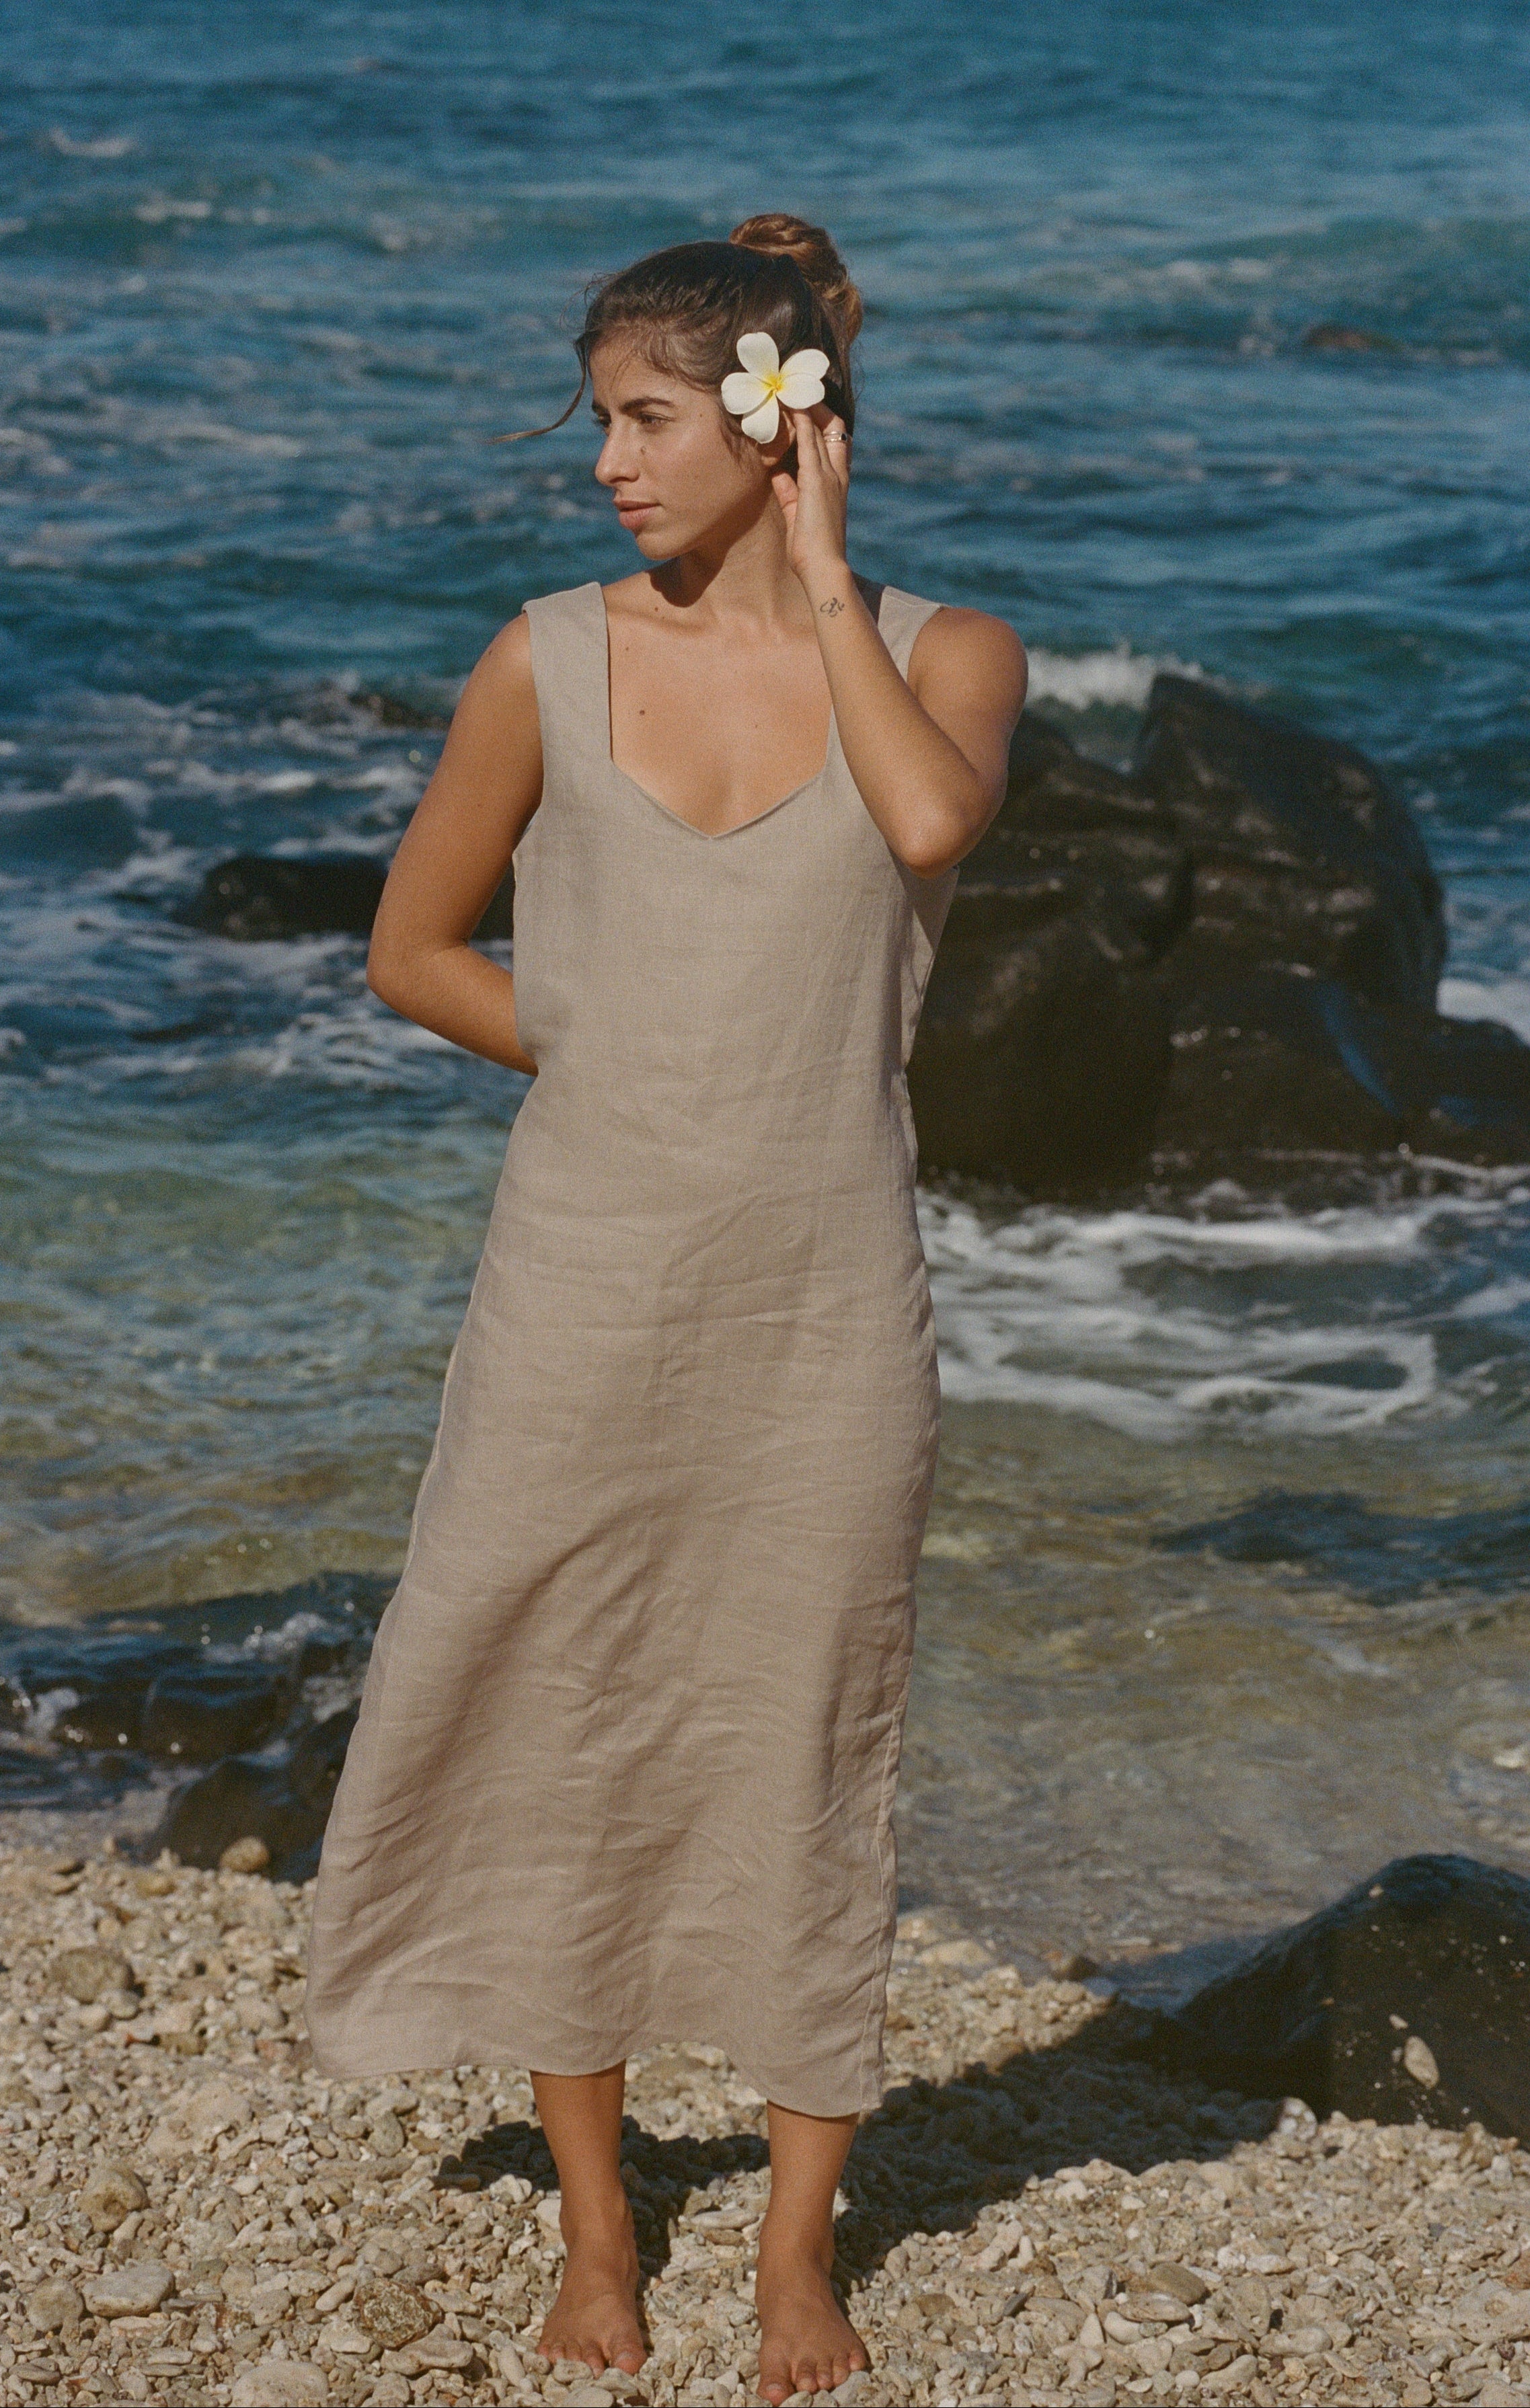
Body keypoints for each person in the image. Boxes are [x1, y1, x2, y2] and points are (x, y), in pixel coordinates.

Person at [304, 212, 1026, 2405]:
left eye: (643, 417)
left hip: (823, 1306)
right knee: (562, 1723)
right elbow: (417, 950)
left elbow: (919, 819)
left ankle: (797, 2253)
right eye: (597, 419)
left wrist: (823, 584)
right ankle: (601, 2231)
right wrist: (621, 1055)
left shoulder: (944, 652)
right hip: (579, 1287)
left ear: (772, 415)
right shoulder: (539, 656)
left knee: (808, 1738)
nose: (606, 461)